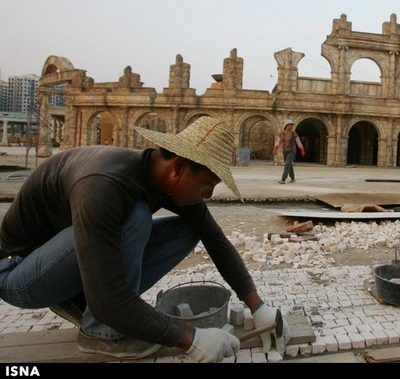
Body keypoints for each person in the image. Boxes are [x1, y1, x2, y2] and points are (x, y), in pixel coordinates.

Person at [0, 117, 290, 362]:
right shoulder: (104, 186)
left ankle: (77, 299)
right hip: (19, 273)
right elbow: (109, 302)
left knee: (189, 229)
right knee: (136, 216)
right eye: (208, 184)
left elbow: (216, 240)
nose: (209, 195)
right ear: (178, 168)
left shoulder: (161, 177)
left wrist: (258, 306)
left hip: (66, 263)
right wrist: (190, 338)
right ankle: (100, 334)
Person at [273, 119, 305, 184]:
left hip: (292, 150)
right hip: (285, 150)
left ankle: (283, 179)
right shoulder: (281, 133)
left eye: (292, 125)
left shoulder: (294, 134)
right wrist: (275, 149)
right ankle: (292, 178)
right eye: (290, 125)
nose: (291, 127)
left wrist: (302, 150)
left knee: (287, 164)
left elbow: (298, 142)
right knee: (289, 164)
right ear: (286, 126)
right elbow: (278, 142)